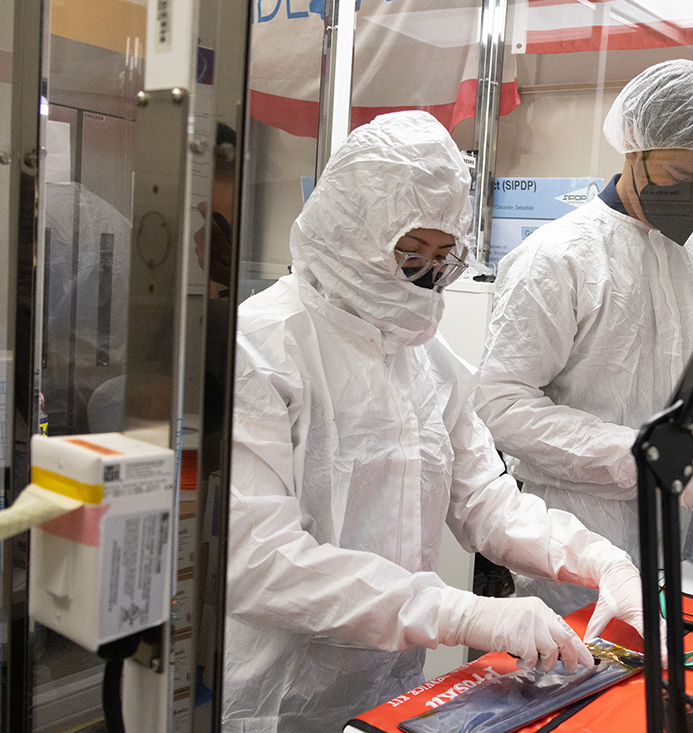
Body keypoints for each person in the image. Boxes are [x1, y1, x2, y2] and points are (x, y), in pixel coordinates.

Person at [223, 111, 647, 733]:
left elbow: (487, 502)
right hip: (277, 693)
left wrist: (596, 558)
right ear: (348, 233)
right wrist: (459, 615)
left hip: (390, 691)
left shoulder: (429, 363)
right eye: (409, 252)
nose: (425, 277)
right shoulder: (260, 349)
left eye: (443, 256)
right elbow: (261, 563)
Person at [475, 59, 693, 616]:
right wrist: (641, 457)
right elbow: (501, 404)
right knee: (578, 683)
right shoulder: (558, 259)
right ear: (634, 147)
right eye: (679, 180)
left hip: (676, 537)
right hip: (577, 540)